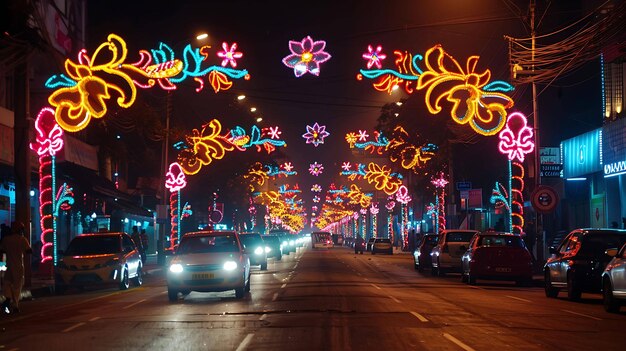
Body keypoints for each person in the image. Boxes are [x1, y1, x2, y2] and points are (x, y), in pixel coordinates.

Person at [1, 222, 32, 313]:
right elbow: (29, 251)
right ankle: (15, 305)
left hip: (8, 266)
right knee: (17, 286)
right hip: (18, 266)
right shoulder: (22, 240)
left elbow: (2, 250)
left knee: (7, 283)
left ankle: (8, 298)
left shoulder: (6, 239)